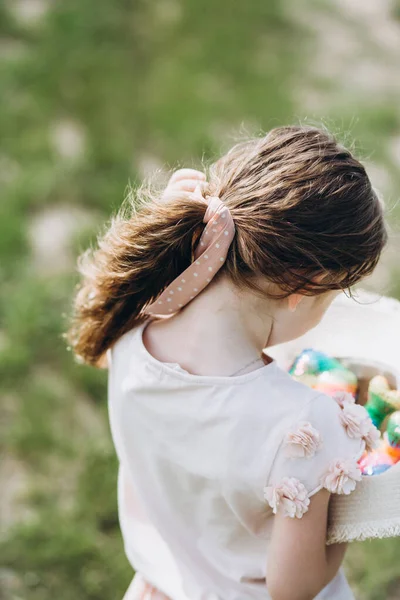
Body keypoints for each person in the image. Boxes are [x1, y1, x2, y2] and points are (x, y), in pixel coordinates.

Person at [67, 125, 387, 600]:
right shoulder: (304, 427)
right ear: (306, 286)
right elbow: (291, 588)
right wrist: (347, 506)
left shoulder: (131, 324)